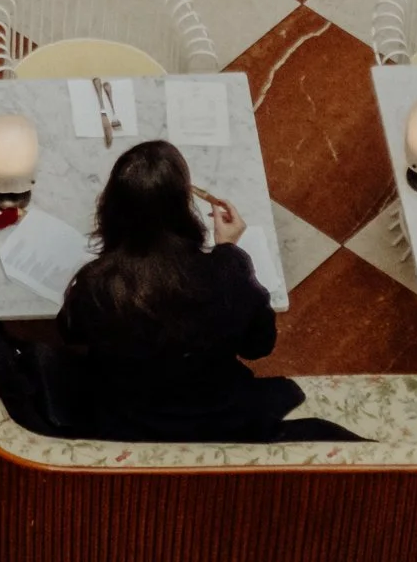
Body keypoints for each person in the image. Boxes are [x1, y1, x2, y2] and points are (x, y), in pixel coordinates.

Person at [57, 138, 363, 444]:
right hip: (216, 417)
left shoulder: (97, 283)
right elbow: (259, 345)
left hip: (129, 419)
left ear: (112, 208)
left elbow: (71, 333)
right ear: (182, 207)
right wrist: (228, 248)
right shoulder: (227, 271)